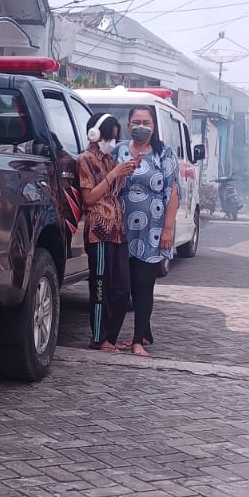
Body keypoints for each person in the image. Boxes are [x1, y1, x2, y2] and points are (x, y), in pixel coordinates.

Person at [115, 105, 179, 358]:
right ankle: (144, 332)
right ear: (129, 125)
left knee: (144, 284)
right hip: (121, 230)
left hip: (152, 230)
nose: (142, 126)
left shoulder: (164, 153)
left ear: (154, 126)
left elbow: (172, 192)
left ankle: (138, 340)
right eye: (137, 121)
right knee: (125, 285)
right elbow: (109, 182)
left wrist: (168, 229)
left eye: (147, 122)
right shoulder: (119, 151)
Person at [77, 113, 137, 350]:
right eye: (110, 136)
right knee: (100, 285)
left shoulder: (111, 160)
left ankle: (111, 337)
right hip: (99, 231)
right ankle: (99, 338)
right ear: (95, 134)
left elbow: (114, 192)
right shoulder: (85, 159)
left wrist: (125, 172)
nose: (112, 141)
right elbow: (90, 198)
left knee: (122, 288)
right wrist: (113, 175)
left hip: (118, 230)